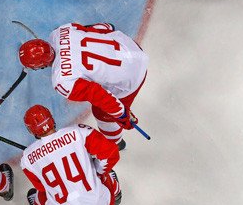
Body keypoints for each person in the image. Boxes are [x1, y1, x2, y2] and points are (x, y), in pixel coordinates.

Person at [19, 22, 147, 149]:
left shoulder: (62, 81)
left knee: (102, 113)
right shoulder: (59, 32)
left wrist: (122, 115)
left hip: (133, 74)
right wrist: (108, 29)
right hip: (131, 47)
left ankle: (116, 143)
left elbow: (98, 95)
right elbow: (96, 28)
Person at [21, 105, 121, 205]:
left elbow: (42, 187)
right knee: (103, 172)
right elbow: (111, 154)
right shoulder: (79, 132)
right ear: (52, 120)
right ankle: (116, 192)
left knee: (44, 192)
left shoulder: (26, 160)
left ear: (31, 131)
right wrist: (97, 172)